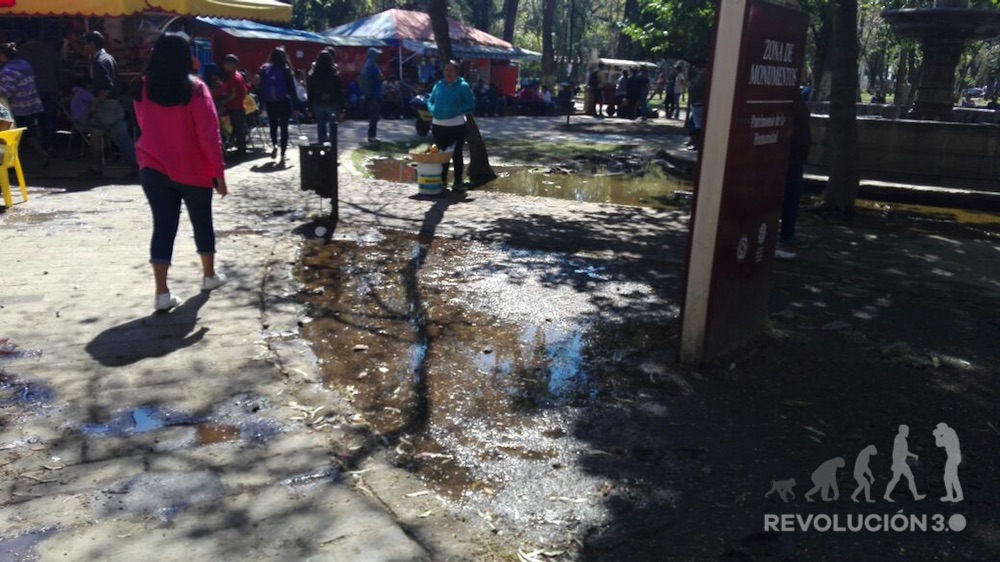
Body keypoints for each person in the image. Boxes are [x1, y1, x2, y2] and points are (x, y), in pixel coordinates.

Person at [131, 33, 227, 311]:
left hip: (153, 166)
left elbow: (142, 122)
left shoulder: (142, 86)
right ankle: (208, 276)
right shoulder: (196, 89)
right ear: (186, 56)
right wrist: (219, 173)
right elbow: (209, 135)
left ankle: (162, 293)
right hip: (193, 168)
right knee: (202, 221)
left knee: (163, 226)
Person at [82, 31, 136, 172]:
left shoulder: (98, 61)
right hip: (116, 104)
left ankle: (96, 168)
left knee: (95, 134)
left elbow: (106, 86)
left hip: (106, 105)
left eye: (85, 44)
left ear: (92, 44)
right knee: (123, 139)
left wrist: (95, 103)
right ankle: (138, 165)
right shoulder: (109, 58)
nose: (84, 47)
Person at [427, 60, 475, 192]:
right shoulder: (438, 85)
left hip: (456, 126)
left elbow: (470, 104)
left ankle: (458, 182)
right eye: (446, 70)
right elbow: (430, 101)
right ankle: (442, 182)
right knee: (442, 154)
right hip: (438, 126)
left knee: (456, 154)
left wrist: (456, 111)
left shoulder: (463, 86)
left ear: (457, 72)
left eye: (451, 70)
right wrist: (432, 110)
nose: (448, 73)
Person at [776, 87, 812, 260]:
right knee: (790, 195)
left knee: (792, 195)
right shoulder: (790, 101)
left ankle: (787, 232)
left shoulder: (794, 100)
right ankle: (785, 234)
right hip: (790, 158)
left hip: (794, 158)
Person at [0, 42, 49, 166]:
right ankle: (39, 155)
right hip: (31, 104)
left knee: (15, 135)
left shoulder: (8, 71)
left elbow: (6, 92)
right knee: (28, 132)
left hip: (18, 107)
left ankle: (12, 162)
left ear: (3, 55)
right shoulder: (25, 64)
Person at [17, 27, 61, 153]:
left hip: (30, 90)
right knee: (50, 117)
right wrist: (60, 86)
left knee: (29, 119)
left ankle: (34, 144)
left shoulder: (21, 51)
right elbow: (59, 69)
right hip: (50, 88)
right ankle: (50, 145)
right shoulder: (49, 49)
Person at [258, 47, 300, 163]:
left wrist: (261, 105)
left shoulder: (265, 69)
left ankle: (274, 145)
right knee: (284, 127)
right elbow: (292, 89)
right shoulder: (285, 70)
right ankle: (283, 153)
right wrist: (296, 106)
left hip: (270, 103)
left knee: (273, 125)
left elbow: (261, 88)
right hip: (284, 102)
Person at [306, 49, 344, 146]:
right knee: (333, 127)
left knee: (321, 126)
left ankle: (322, 145)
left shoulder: (313, 75)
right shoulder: (335, 74)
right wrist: (342, 108)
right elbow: (339, 92)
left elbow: (310, 92)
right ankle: (332, 147)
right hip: (332, 102)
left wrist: (309, 107)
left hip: (318, 102)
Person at [883, 425, 926, 502]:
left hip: (900, 462)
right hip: (900, 463)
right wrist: (914, 455)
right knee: (910, 477)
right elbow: (903, 451)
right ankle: (916, 496)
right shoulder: (900, 438)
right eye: (906, 431)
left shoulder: (900, 438)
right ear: (902, 431)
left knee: (896, 479)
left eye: (908, 431)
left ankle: (886, 495)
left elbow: (901, 451)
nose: (908, 432)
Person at [219, 54, 248, 161]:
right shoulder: (238, 76)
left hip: (235, 107)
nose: (224, 66)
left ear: (232, 65)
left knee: (238, 130)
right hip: (239, 106)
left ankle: (241, 153)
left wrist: (224, 101)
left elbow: (233, 94)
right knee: (238, 130)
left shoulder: (234, 77)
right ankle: (240, 151)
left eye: (226, 64)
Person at [360, 47, 384, 143]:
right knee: (374, 116)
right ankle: (372, 136)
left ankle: (372, 135)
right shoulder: (373, 66)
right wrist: (381, 77)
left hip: (369, 94)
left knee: (373, 116)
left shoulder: (366, 65)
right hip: (374, 94)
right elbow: (380, 77)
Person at [686, 57, 707, 150]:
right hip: (700, 101)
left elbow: (696, 86)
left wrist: (690, 85)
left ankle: (697, 143)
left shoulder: (702, 74)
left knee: (698, 124)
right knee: (694, 122)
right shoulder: (704, 73)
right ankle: (695, 140)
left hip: (699, 101)